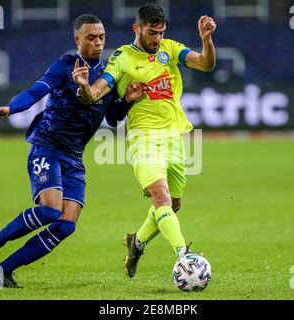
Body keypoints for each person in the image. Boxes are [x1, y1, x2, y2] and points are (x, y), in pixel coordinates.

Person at [0, 14, 146, 288]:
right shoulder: (65, 66)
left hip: (74, 156)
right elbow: (35, 91)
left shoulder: (110, 75)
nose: (98, 42)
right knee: (51, 211)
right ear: (77, 40)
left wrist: (127, 101)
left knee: (66, 225)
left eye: (101, 37)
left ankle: (3, 270)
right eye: (91, 37)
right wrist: (10, 108)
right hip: (48, 146)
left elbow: (112, 117)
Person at [72, 3, 216, 278]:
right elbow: (97, 92)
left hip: (175, 138)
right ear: (137, 28)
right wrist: (84, 87)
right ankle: (185, 257)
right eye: (152, 32)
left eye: (161, 33)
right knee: (160, 197)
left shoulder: (171, 49)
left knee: (173, 206)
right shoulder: (122, 57)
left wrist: (206, 40)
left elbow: (206, 64)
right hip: (143, 139)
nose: (157, 39)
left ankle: (136, 243)